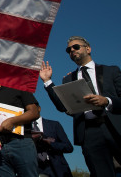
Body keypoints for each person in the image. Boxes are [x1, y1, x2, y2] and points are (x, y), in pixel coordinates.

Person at [40, 36, 121, 177]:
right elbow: (62, 106)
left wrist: (106, 101)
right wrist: (47, 81)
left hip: (114, 126)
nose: (72, 50)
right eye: (68, 50)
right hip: (89, 132)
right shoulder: (68, 79)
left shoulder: (111, 71)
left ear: (88, 49)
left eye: (76, 47)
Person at [31, 106, 73, 177]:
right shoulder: (24, 129)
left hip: (57, 168)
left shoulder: (54, 125)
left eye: (31, 107)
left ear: (39, 108)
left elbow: (68, 147)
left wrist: (51, 143)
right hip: (35, 168)